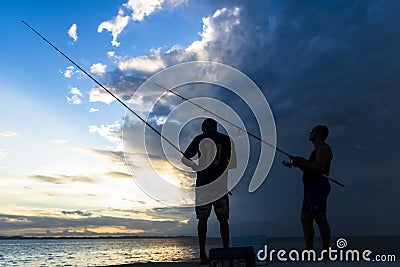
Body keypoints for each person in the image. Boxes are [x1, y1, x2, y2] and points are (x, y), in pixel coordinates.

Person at [182, 118, 236, 265]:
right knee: (223, 219)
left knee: (202, 220)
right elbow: (232, 164)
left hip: (203, 187)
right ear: (215, 127)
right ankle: (225, 250)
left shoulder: (199, 138)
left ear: (205, 128)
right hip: (220, 187)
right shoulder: (227, 140)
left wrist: (195, 166)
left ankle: (202, 255)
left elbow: (185, 158)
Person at [292, 125, 333, 251]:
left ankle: (326, 252)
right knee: (305, 218)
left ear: (319, 134)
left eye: (313, 131)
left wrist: (302, 161)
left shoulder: (324, 149)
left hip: (318, 186)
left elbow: (319, 168)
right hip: (309, 187)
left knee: (319, 216)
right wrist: (299, 164)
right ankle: (309, 251)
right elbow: (309, 168)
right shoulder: (316, 150)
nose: (310, 132)